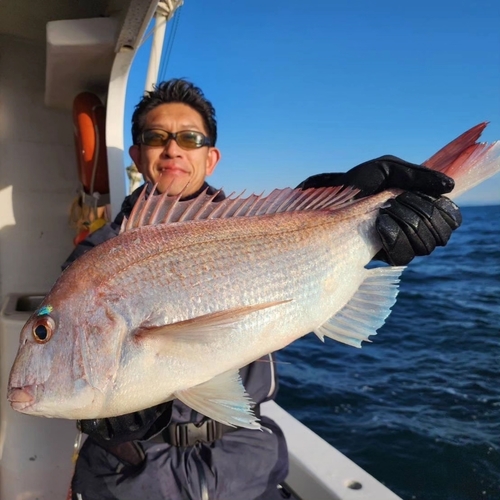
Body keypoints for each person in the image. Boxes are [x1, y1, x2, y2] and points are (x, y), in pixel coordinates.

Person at [66, 79, 461, 500]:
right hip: (131, 472)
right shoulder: (95, 258)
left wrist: (350, 212)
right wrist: (116, 414)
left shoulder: (251, 224)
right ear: (136, 154)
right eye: (155, 136)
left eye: (189, 137)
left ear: (211, 156)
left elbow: (295, 252)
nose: (173, 149)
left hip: (244, 460)